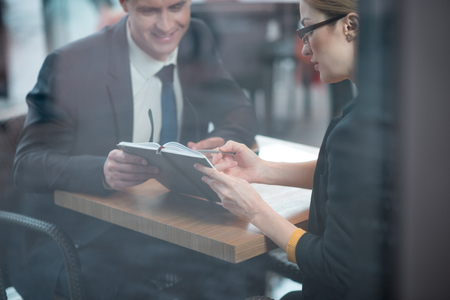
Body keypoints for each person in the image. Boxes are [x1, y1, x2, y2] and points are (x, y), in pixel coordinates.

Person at [10, 0, 261, 299]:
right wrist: (101, 171)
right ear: (125, 4)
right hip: (83, 236)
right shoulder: (72, 63)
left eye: (176, 7)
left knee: (243, 274)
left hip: (171, 223)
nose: (167, 25)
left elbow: (240, 112)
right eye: (149, 11)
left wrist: (218, 143)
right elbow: (26, 164)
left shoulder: (195, 35)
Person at [195, 0, 365, 299]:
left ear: (350, 26)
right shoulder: (394, 110)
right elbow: (347, 171)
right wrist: (262, 170)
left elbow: (336, 267)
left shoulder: (358, 131)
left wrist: (255, 210)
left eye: (309, 30)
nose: (304, 49)